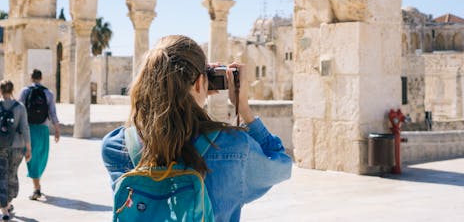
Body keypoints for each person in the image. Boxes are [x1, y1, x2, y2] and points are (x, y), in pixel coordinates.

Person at [101, 35, 292, 222]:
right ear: (201, 82)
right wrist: (244, 109)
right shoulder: (233, 146)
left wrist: (196, 86)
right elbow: (281, 165)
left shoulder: (115, 146)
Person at [18, 69, 60, 200]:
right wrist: (57, 129)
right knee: (41, 157)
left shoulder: (25, 91)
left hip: (28, 128)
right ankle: (37, 187)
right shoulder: (48, 93)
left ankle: (36, 186)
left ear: (31, 78)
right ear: (41, 78)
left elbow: (19, 109)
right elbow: (53, 112)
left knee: (31, 157)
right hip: (43, 129)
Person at [0, 80, 31, 221]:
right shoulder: (20, 107)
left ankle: (4, 210)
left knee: (1, 177)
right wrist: (28, 148)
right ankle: (10, 202)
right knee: (12, 175)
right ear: (13, 90)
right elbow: (25, 128)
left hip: (1, 147)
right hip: (17, 147)